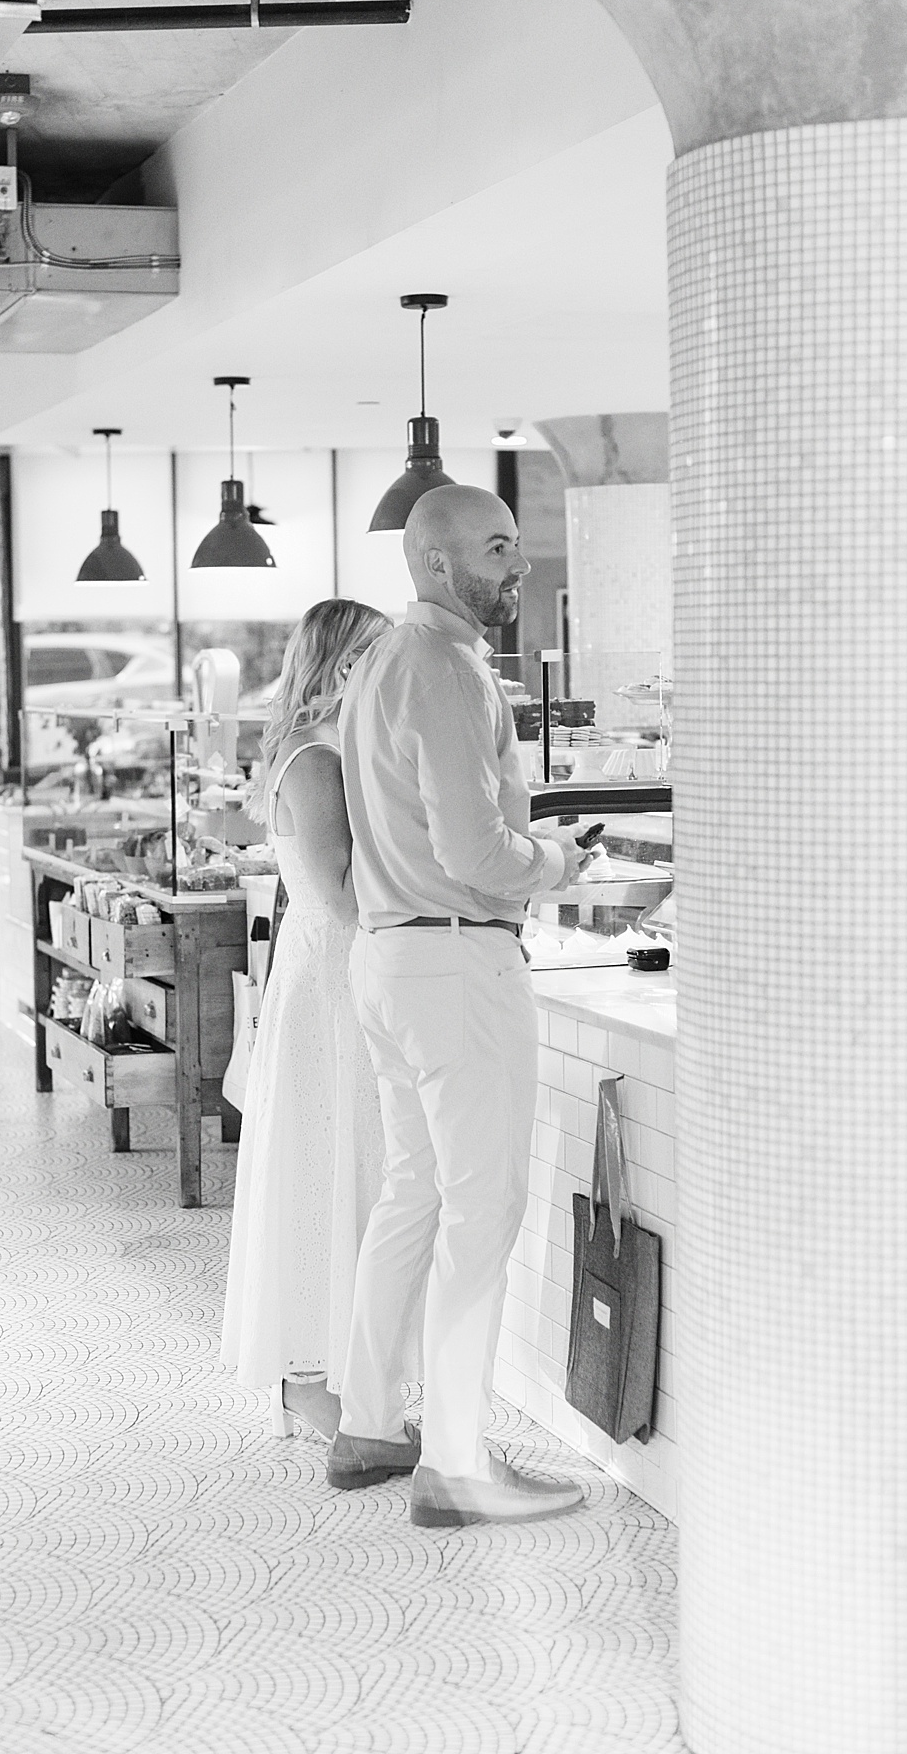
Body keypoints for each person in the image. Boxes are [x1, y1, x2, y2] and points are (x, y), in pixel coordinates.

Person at [328, 485, 590, 1526]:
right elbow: (475, 851)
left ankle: (371, 1424)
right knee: (483, 1211)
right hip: (454, 965)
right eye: (496, 548)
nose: (517, 565)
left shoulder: (385, 661)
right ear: (435, 563)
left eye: (516, 545)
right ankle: (457, 1463)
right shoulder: (443, 667)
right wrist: (563, 861)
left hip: (393, 959)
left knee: (416, 1195)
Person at [221, 598, 393, 1444]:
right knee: (327, 1167)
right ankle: (308, 1378)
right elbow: (342, 894)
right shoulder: (317, 758)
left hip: (325, 975)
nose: (382, 670)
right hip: (333, 979)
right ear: (335, 664)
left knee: (338, 1164)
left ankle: (330, 1367)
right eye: (370, 655)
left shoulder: (319, 747)